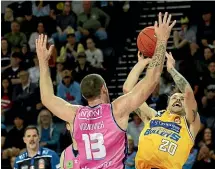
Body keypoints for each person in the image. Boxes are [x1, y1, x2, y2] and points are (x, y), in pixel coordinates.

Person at [36, 12, 176, 168]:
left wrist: (43, 62)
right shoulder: (116, 110)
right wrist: (162, 40)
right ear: (104, 89)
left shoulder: (74, 114)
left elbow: (47, 98)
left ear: (83, 95)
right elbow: (152, 80)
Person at [123, 52, 200, 169]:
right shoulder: (153, 116)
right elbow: (127, 90)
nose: (178, 99)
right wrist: (140, 65)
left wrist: (171, 69)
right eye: (174, 97)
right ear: (168, 103)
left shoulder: (190, 122)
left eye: (181, 99)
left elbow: (188, 93)